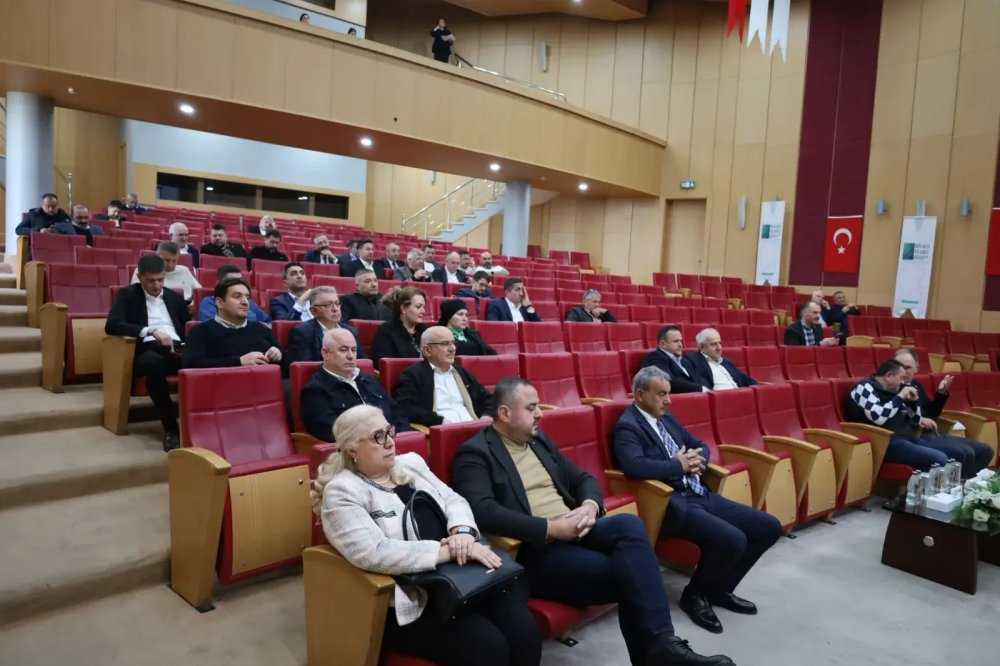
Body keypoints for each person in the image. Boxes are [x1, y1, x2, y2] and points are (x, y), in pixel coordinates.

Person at [451, 377, 735, 666]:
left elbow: (583, 479)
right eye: (531, 407)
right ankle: (659, 649)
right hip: (536, 548)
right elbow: (482, 510)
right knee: (631, 574)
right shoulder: (476, 452)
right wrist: (551, 528)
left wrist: (589, 506)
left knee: (629, 525)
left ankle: (661, 645)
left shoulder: (538, 441)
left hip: (576, 527)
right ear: (504, 413)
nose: (540, 414)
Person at [311, 405, 539, 666]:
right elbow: (374, 552)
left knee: (524, 630)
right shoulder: (343, 492)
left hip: (464, 575)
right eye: (378, 437)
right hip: (412, 597)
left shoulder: (411, 463)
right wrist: (448, 551)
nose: (390, 442)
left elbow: (453, 499)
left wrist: (463, 533)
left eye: (389, 432)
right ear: (352, 450)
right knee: (488, 647)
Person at [614, 367, 780, 634]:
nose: (668, 400)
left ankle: (719, 590)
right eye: (661, 394)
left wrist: (696, 458)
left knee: (769, 527)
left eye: (668, 393)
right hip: (671, 503)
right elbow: (635, 466)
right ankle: (694, 596)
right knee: (733, 540)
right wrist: (677, 465)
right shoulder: (628, 426)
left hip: (700, 492)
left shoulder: (666, 417)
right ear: (640, 395)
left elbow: (699, 444)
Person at [106, 254, 190, 451]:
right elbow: (112, 325)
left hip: (177, 348)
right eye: (151, 281)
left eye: (160, 279)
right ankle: (171, 428)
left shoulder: (174, 298)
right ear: (140, 277)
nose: (156, 285)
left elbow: (188, 326)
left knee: (206, 360)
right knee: (153, 365)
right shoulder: (128, 295)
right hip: (147, 348)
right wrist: (150, 331)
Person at [844, 358, 958, 472]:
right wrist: (900, 397)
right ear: (889, 376)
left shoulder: (892, 390)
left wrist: (914, 403)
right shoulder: (864, 387)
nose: (903, 382)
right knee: (939, 459)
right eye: (901, 378)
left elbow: (915, 420)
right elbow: (878, 417)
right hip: (883, 443)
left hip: (906, 438)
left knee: (955, 453)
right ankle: (921, 483)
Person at [893, 349, 992, 477]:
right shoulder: (892, 388)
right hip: (916, 436)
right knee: (966, 452)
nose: (903, 371)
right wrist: (920, 419)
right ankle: (957, 484)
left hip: (933, 433)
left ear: (916, 368)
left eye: (908, 368)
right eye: (900, 367)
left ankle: (966, 483)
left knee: (986, 450)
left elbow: (931, 412)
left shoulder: (916, 385)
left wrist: (941, 393)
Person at [300, 330, 409, 441]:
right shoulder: (315, 390)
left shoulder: (370, 380)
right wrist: (380, 437)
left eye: (353, 350)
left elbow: (397, 412)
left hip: (393, 442)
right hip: (360, 448)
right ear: (325, 353)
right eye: (343, 350)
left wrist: (399, 437)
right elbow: (333, 430)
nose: (351, 356)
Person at [392, 326, 494, 427]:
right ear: (427, 350)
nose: (453, 348)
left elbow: (488, 399)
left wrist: (487, 416)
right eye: (445, 344)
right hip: (441, 432)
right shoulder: (412, 375)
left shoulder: (462, 373)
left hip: (476, 429)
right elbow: (404, 407)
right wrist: (438, 421)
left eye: (453, 343)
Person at [183, 278, 288, 375]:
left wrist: (278, 355)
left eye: (247, 297)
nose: (245, 302)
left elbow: (288, 365)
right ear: (220, 302)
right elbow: (192, 365)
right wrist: (239, 362)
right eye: (237, 296)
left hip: (266, 382)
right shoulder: (200, 332)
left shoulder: (261, 329)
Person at [287, 287, 364, 363]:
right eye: (328, 305)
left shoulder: (351, 332)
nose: (335, 309)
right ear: (314, 311)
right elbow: (305, 367)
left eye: (337, 303)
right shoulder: (302, 333)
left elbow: (362, 362)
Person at [684, 328, 757, 391]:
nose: (719, 348)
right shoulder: (693, 360)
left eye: (720, 343)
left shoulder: (727, 362)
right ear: (702, 347)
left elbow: (747, 380)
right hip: (719, 398)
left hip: (740, 395)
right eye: (713, 344)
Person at [371, 287, 428, 365]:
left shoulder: (425, 331)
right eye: (418, 307)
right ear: (403, 308)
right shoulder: (386, 331)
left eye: (423, 307)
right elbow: (383, 364)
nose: (423, 311)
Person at [641, 325, 705, 394]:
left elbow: (698, 378)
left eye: (681, 341)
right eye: (676, 341)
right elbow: (668, 381)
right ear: (662, 344)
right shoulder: (655, 357)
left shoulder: (684, 360)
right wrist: (702, 389)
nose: (680, 345)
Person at [197, 265, 272, 323]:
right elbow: (212, 326)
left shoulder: (249, 302)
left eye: (240, 281)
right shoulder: (209, 302)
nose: (238, 285)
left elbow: (268, 322)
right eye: (232, 282)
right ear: (219, 284)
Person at [130, 241, 201, 301]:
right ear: (157, 256)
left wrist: (194, 303)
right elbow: (137, 296)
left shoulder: (184, 270)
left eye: (174, 261)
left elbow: (199, 291)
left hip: (186, 306)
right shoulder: (144, 270)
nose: (170, 265)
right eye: (166, 260)